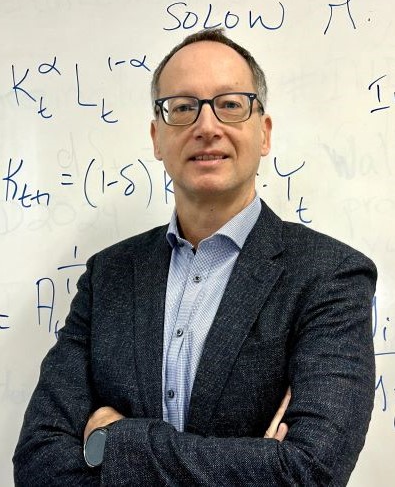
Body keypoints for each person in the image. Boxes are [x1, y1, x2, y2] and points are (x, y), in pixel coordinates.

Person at [13, 29, 376, 486]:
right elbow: (37, 462)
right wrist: (254, 461)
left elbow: (310, 472)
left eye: (230, 103)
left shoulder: (331, 276)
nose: (207, 126)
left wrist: (119, 442)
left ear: (263, 133)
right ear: (156, 138)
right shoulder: (108, 276)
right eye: (183, 108)